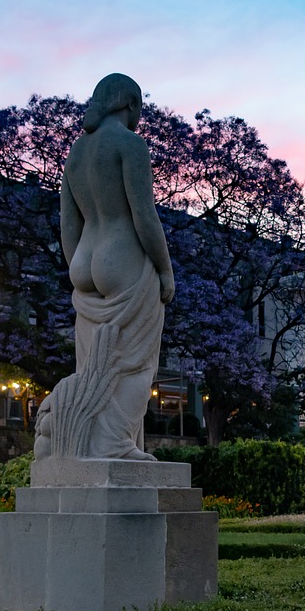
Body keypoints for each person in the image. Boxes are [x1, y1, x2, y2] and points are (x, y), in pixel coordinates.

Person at [35, 73, 174, 461]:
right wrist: (164, 269)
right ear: (129, 105)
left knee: (92, 363)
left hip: (84, 260)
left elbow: (68, 223)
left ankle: (84, 447)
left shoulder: (76, 154)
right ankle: (113, 444)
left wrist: (78, 269)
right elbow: (144, 215)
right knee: (135, 363)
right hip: (123, 258)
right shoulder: (130, 145)